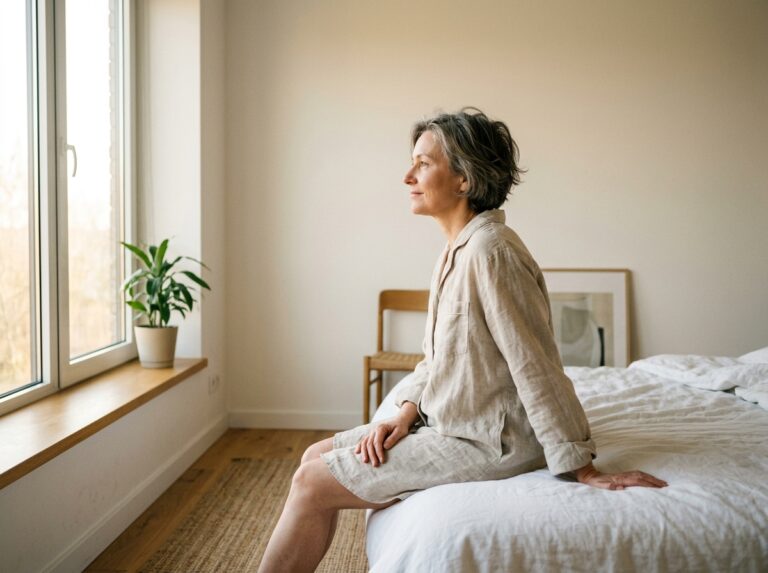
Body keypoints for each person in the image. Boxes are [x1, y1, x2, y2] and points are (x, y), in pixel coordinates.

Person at [258, 108, 667, 573]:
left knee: (312, 480)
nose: (407, 175)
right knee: (315, 455)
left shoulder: (492, 253)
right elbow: (436, 360)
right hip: (448, 420)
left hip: (490, 439)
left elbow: (536, 365)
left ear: (464, 180)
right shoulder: (456, 251)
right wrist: (406, 411)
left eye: (423, 164)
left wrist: (582, 465)